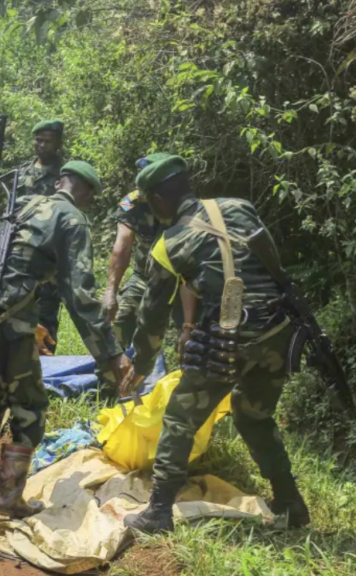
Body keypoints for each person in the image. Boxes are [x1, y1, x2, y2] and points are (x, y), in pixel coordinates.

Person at [119, 154, 310, 533]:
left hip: (227, 341)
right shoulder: (240, 208)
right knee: (253, 414)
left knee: (179, 418)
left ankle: (158, 512)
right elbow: (264, 266)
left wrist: (140, 366)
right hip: (277, 333)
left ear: (157, 200)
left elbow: (152, 318)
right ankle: (291, 502)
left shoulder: (168, 244)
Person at [0, 161, 129, 519]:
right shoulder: (71, 219)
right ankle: (9, 500)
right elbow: (80, 296)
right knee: (29, 406)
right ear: (85, 190)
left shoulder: (27, 206)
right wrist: (111, 355)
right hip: (6, 318)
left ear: (61, 180)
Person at [103, 154, 180, 349]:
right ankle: (115, 374)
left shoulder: (182, 202)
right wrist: (110, 291)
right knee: (121, 318)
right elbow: (123, 245)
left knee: (189, 328)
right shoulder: (130, 202)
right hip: (144, 276)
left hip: (181, 278)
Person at [15, 120, 66, 354]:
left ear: (58, 143)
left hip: (49, 254)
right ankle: (16, 359)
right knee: (16, 305)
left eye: (48, 141)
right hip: (20, 251)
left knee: (46, 311)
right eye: (39, 140)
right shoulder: (21, 172)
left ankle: (46, 367)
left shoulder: (65, 174)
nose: (42, 145)